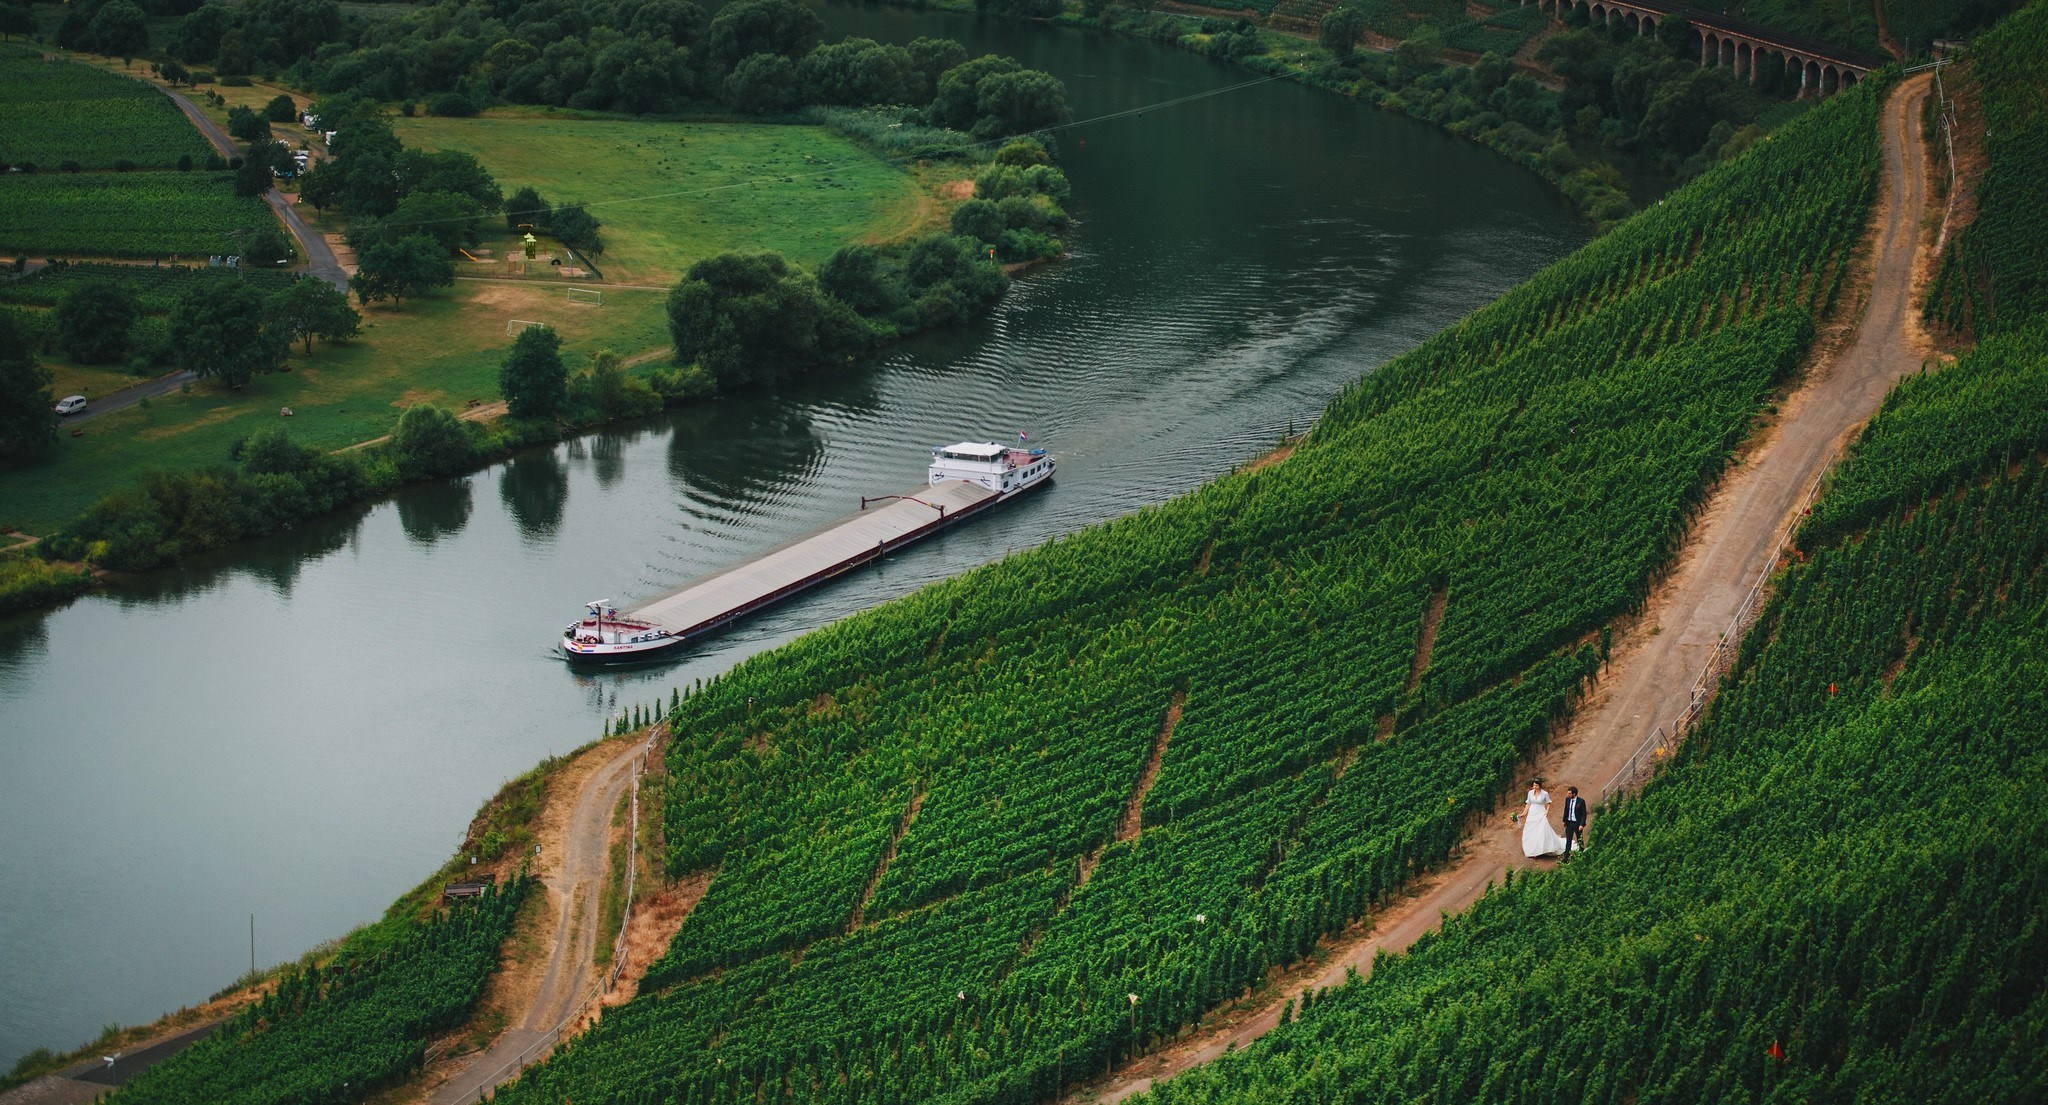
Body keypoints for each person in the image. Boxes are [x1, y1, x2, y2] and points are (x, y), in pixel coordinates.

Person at [1521, 780, 1567, 858]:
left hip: (1540, 813)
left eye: (1536, 785)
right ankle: (1533, 848)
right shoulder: (1530, 793)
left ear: (1539, 786)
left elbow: (1548, 802)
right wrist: (1524, 813)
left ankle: (1540, 850)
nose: (1535, 787)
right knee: (1532, 830)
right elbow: (1528, 804)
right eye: (1534, 785)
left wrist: (1547, 812)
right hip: (1532, 814)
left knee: (1541, 830)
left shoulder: (1544, 794)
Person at [1561, 786, 1588, 860]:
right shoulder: (1567, 800)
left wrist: (1582, 824)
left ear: (1574, 794)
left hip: (1577, 823)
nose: (1568, 795)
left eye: (1569, 793)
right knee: (1568, 840)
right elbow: (1566, 810)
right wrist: (1564, 820)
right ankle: (1566, 858)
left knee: (1579, 839)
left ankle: (1582, 853)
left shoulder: (1581, 801)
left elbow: (1584, 814)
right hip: (1569, 823)